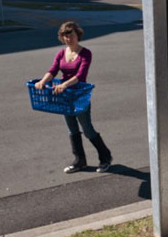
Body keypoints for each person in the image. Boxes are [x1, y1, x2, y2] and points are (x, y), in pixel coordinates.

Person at [35, 21, 112, 174]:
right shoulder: (61, 53)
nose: (68, 39)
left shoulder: (85, 53)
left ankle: (105, 157)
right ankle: (79, 161)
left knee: (87, 129)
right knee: (72, 130)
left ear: (78, 35)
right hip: (65, 96)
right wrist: (43, 81)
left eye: (71, 36)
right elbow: (53, 70)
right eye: (65, 36)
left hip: (79, 95)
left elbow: (81, 75)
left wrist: (65, 84)